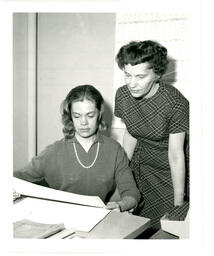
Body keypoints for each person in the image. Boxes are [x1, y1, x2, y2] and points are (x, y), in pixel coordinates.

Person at [14, 85, 141, 212]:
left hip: (98, 218)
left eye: (90, 115)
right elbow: (17, 178)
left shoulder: (114, 150)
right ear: (70, 116)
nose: (83, 122)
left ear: (99, 114)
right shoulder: (54, 151)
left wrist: (122, 205)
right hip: (61, 220)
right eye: (77, 116)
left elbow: (131, 192)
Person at [114, 40, 189, 230]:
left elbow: (176, 154)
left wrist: (179, 204)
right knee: (134, 225)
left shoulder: (175, 102)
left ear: (157, 73)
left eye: (140, 76)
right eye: (127, 75)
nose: (132, 83)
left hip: (170, 172)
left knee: (167, 227)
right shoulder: (122, 95)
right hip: (141, 166)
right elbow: (131, 133)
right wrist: (120, 175)